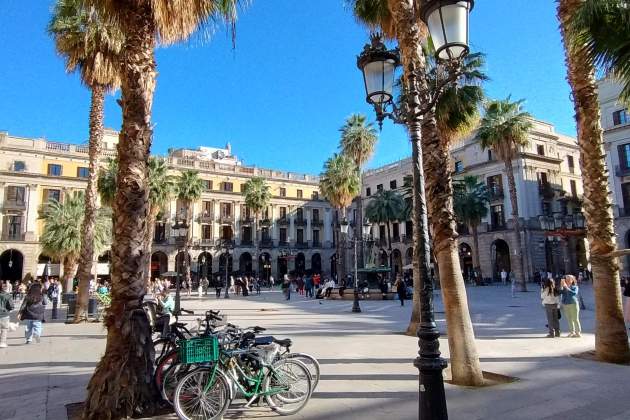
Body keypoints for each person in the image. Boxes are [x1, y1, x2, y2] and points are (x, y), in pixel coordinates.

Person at [0, 282, 14, 348]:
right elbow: (11, 306)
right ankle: (2, 343)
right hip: (4, 314)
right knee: (4, 329)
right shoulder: (7, 295)